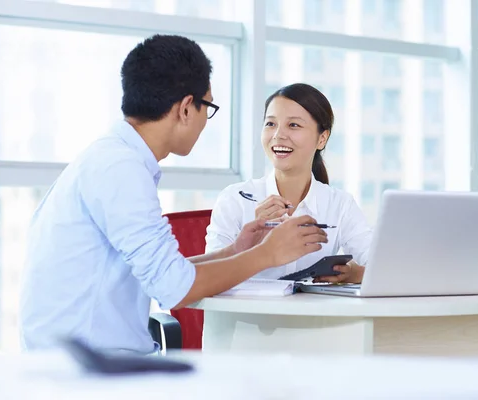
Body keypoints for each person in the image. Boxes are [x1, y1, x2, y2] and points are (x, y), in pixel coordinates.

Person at [19, 35, 327, 354]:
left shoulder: (113, 158)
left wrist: (236, 250)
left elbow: (164, 272)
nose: (206, 122)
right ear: (184, 109)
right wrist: (268, 254)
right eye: (207, 107)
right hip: (91, 372)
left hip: (90, 360)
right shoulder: (120, 169)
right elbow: (175, 288)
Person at [206, 83, 372, 283]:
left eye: (293, 125)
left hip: (313, 314)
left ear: (322, 139)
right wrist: (255, 245)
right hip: (248, 314)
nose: (278, 135)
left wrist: (356, 274)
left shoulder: (340, 204)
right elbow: (209, 274)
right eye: (270, 124)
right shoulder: (235, 199)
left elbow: (380, 266)